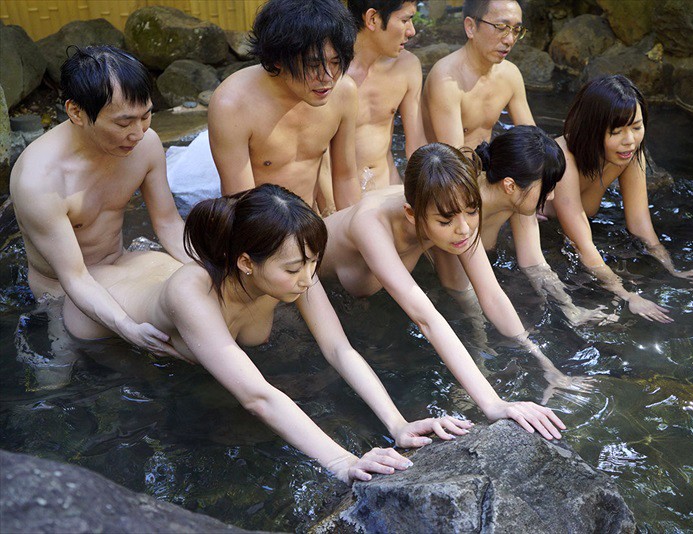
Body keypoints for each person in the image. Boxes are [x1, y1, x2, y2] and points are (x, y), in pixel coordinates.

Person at [62, 184, 471, 483]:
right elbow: (257, 396)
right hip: (100, 318)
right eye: (293, 268)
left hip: (148, 269)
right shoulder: (191, 293)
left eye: (313, 262)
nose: (307, 278)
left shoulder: (296, 272)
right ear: (246, 263)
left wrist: (397, 424)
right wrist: (344, 462)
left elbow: (338, 348)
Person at [321, 143, 593, 437]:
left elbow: (491, 294)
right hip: (309, 292)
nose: (463, 228)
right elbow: (426, 318)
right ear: (411, 214)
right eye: (446, 221)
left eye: (472, 211)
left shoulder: (451, 206)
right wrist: (493, 404)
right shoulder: (371, 224)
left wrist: (546, 365)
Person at [10, 45, 191, 359]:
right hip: (63, 292)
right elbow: (75, 277)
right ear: (76, 112)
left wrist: (214, 270)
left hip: (120, 263)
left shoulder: (146, 145)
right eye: (123, 123)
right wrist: (127, 328)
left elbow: (169, 224)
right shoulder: (40, 180)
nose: (138, 133)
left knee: (195, 299)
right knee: (58, 374)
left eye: (146, 115)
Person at [543, 75, 693, 323]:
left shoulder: (628, 154)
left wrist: (675, 271)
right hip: (538, 232)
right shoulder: (563, 160)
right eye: (616, 131)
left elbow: (639, 224)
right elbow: (582, 244)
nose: (630, 140)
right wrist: (627, 295)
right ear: (590, 129)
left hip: (568, 234)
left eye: (636, 127)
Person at [168, 0, 361, 213]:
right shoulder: (233, 104)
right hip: (262, 225)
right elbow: (240, 203)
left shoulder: (344, 92)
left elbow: (346, 178)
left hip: (311, 219)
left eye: (336, 62)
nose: (327, 77)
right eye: (313, 65)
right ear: (278, 59)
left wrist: (354, 227)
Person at [434, 125, 611, 326]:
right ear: (510, 185)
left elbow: (534, 263)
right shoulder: (460, 214)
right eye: (547, 188)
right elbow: (461, 289)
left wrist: (571, 309)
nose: (551, 196)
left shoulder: (517, 199)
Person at [422, 0, 534, 150]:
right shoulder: (446, 78)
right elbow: (452, 158)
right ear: (471, 27)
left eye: (516, 30)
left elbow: (533, 140)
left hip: (484, 162)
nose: (510, 40)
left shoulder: (510, 74)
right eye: (501, 27)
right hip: (446, 164)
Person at [346, 0, 427, 191]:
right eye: (405, 20)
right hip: (343, 197)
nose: (412, 31)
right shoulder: (328, 74)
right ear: (372, 19)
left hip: (389, 189)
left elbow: (416, 145)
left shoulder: (407, 66)